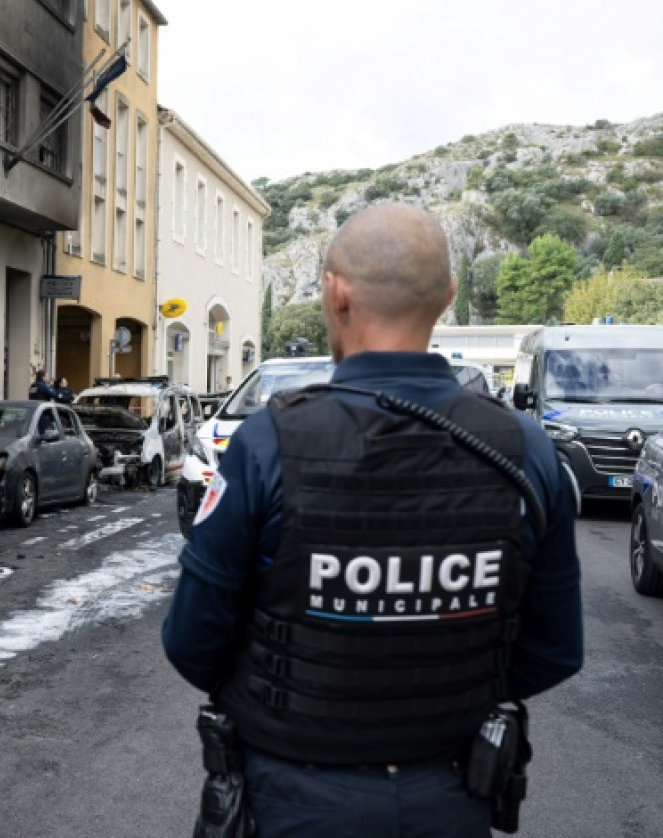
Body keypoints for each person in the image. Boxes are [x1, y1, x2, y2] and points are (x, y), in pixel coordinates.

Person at [162, 203, 582, 837]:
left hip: (293, 799)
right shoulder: (525, 451)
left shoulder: (269, 442)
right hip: (451, 794)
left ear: (334, 293)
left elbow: (193, 640)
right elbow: (553, 650)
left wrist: (299, 698)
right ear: (447, 296)